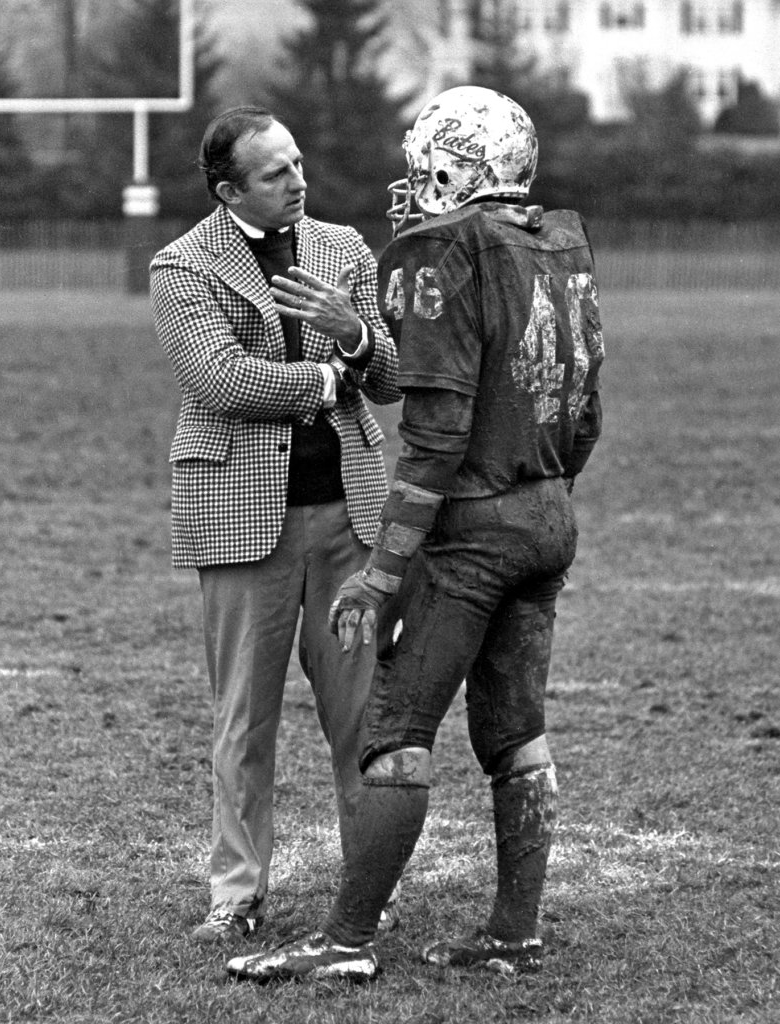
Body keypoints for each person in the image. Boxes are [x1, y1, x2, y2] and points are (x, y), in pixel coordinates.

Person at [226, 86, 605, 982]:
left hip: (472, 525)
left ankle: (346, 941)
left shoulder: (441, 249)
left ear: (454, 168)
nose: (412, 184)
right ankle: (513, 932)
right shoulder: (559, 241)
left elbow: (434, 435)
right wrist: (542, 497)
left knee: (394, 728)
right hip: (548, 512)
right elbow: (584, 407)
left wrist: (381, 569)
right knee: (514, 731)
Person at [149, 106, 401, 949]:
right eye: (274, 172)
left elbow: (393, 376)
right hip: (239, 522)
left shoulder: (344, 248)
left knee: (360, 716)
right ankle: (236, 893)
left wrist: (354, 335)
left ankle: (368, 887)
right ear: (228, 192)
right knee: (243, 719)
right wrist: (328, 381)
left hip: (350, 517)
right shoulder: (181, 264)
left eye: (296, 162)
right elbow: (218, 379)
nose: (298, 181)